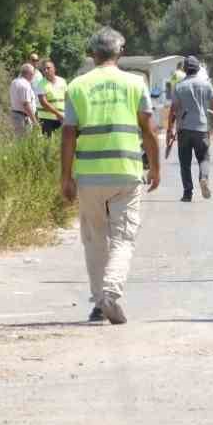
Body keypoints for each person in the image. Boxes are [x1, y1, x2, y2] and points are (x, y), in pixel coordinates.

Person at [61, 28, 161, 325]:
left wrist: (65, 177)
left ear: (92, 54)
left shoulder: (77, 86)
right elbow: (149, 129)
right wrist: (155, 167)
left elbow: (68, 135)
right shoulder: (135, 83)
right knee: (124, 238)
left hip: (89, 176)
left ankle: (97, 304)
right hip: (126, 173)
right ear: (121, 52)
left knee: (94, 239)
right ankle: (110, 294)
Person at [166, 55, 213, 202]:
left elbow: (173, 110)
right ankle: (203, 178)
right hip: (201, 129)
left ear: (184, 69)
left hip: (184, 129)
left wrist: (169, 130)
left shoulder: (179, 86)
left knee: (185, 163)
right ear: (198, 68)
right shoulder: (206, 85)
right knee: (204, 158)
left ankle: (187, 193)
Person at [34, 59, 67, 138]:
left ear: (54, 69)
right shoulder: (41, 84)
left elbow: (67, 98)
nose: (46, 70)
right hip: (46, 119)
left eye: (48, 68)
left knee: (61, 141)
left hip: (61, 117)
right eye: (44, 69)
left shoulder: (62, 81)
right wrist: (58, 114)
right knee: (48, 143)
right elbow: (44, 103)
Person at [9, 63, 38, 135]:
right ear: (29, 74)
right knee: (25, 141)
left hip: (16, 115)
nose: (33, 76)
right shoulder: (25, 85)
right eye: (32, 74)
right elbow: (26, 104)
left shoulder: (15, 82)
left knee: (19, 140)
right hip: (23, 118)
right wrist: (34, 121)